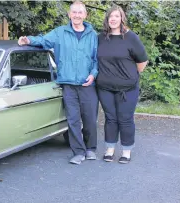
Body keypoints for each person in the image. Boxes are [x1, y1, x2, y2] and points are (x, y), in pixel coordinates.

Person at [18, 0, 99, 165]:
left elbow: (97, 59)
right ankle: (78, 152)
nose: (76, 15)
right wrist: (28, 40)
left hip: (87, 85)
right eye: (74, 12)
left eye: (80, 12)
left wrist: (93, 74)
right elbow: (43, 40)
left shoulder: (93, 35)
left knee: (90, 118)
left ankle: (91, 148)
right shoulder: (60, 32)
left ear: (85, 15)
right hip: (68, 84)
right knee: (73, 120)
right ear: (69, 14)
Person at [96, 5, 148, 164]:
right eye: (110, 16)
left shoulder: (130, 37)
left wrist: (131, 76)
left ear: (121, 19)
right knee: (111, 118)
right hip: (105, 88)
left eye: (116, 16)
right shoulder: (100, 38)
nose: (113, 19)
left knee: (125, 119)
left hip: (128, 89)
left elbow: (142, 61)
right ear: (107, 19)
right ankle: (110, 149)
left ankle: (126, 151)